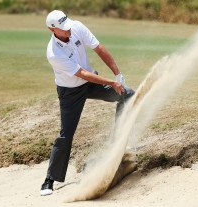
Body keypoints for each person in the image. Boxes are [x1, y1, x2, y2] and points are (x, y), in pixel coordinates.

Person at [40, 10, 135, 196]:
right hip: (70, 92)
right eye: (63, 29)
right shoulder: (53, 53)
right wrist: (111, 82)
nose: (68, 30)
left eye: (67, 25)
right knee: (66, 134)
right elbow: (81, 74)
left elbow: (98, 48)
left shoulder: (76, 27)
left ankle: (118, 145)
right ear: (52, 30)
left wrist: (118, 75)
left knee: (127, 94)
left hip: (91, 82)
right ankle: (49, 179)